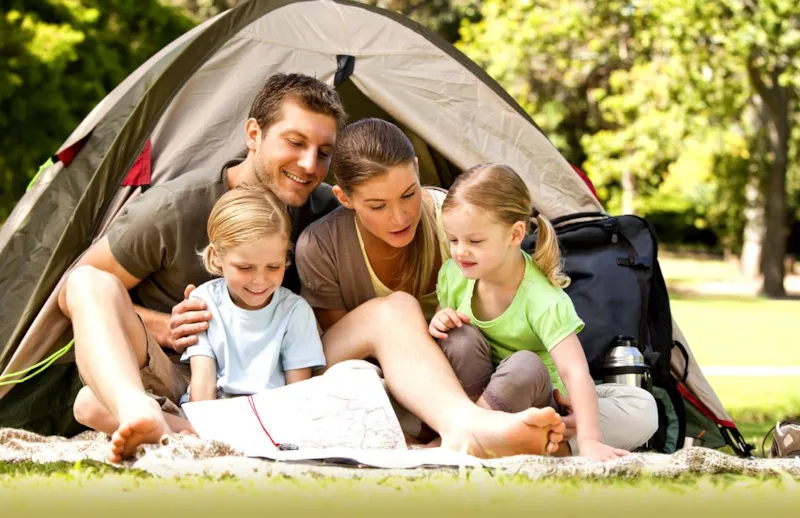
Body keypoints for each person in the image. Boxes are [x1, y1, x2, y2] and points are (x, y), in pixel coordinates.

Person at [58, 73, 344, 462]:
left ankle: (187, 432)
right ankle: (137, 410)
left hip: (267, 380)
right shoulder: (175, 207)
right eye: (295, 142)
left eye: (324, 152)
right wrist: (166, 327)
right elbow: (70, 294)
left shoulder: (326, 211)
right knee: (86, 283)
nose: (309, 165)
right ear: (254, 134)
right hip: (172, 373)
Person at [296, 119, 565, 457]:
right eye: (378, 206)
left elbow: (514, 315)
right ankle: (467, 429)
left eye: (409, 194)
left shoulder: (453, 221)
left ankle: (453, 436)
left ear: (418, 170)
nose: (399, 217)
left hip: (464, 372)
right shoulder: (320, 246)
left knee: (475, 345)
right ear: (344, 198)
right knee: (395, 312)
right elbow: (344, 356)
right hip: (378, 373)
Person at [429, 163, 659, 461]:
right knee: (457, 335)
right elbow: (438, 339)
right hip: (474, 400)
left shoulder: (543, 298)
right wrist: (438, 321)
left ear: (515, 234)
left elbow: (575, 372)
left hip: (536, 403)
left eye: (475, 241)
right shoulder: (454, 275)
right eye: (454, 240)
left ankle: (475, 439)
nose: (461, 251)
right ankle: (481, 434)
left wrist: (589, 440)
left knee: (641, 405)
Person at [181, 185, 325, 404]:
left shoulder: (295, 311)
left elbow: (298, 393)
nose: (260, 280)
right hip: (214, 410)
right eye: (245, 268)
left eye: (273, 267)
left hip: (273, 412)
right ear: (216, 256)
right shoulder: (203, 302)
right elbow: (203, 384)